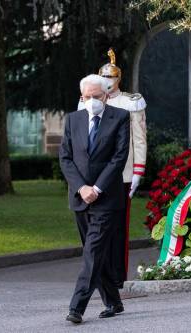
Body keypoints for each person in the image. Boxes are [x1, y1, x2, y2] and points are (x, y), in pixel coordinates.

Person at [60, 74, 130, 324]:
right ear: (82, 97)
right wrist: (81, 188)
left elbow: (118, 158)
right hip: (80, 198)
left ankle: (76, 307)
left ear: (107, 95)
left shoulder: (120, 117)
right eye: (87, 97)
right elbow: (65, 158)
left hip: (106, 198)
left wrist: (97, 188)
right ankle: (113, 301)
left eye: (96, 96)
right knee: (95, 253)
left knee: (91, 251)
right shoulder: (73, 120)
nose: (92, 101)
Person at [78, 48, 147, 287]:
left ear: (119, 78)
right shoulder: (86, 101)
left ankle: (117, 277)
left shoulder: (131, 102)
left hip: (122, 173)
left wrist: (138, 171)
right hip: (92, 175)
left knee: (118, 229)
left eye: (111, 77)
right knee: (90, 228)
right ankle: (97, 275)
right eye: (104, 77)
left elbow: (138, 139)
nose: (108, 82)